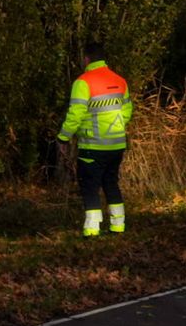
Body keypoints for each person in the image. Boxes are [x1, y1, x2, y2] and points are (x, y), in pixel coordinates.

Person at [57, 41, 133, 236]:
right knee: (111, 183)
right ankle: (118, 225)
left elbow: (76, 115)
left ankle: (92, 229)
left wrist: (63, 138)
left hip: (93, 146)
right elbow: (127, 111)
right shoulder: (120, 81)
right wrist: (114, 129)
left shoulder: (83, 82)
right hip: (116, 145)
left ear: (86, 59)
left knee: (89, 186)